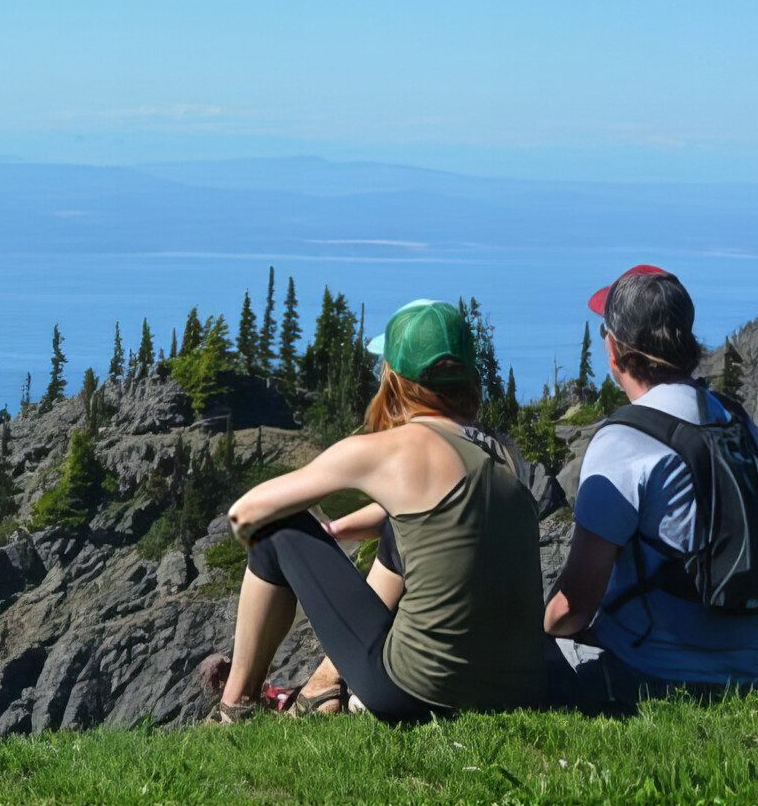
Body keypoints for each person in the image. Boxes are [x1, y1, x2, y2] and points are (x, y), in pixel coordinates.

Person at [211, 299, 553, 722]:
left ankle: (233, 708)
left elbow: (243, 514)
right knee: (402, 528)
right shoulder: (503, 455)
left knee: (274, 526)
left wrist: (302, 534)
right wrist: (336, 532)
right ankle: (322, 689)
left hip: (416, 692)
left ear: (393, 378)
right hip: (520, 686)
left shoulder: (388, 452)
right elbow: (429, 521)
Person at [544, 265, 758, 706]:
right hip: (748, 670)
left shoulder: (626, 440)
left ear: (616, 351)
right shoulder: (741, 426)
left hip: (652, 674)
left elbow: (572, 609)